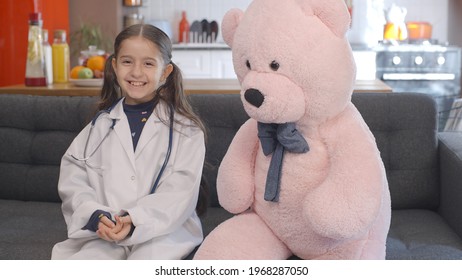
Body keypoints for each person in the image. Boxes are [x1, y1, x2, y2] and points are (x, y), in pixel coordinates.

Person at [51, 24, 207, 260]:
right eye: (127, 62)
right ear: (114, 66)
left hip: (163, 232)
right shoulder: (99, 127)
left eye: (148, 63)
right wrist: (96, 216)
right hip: (105, 230)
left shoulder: (187, 131)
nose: (136, 72)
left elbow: (180, 192)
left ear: (165, 72)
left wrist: (135, 220)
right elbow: (74, 181)